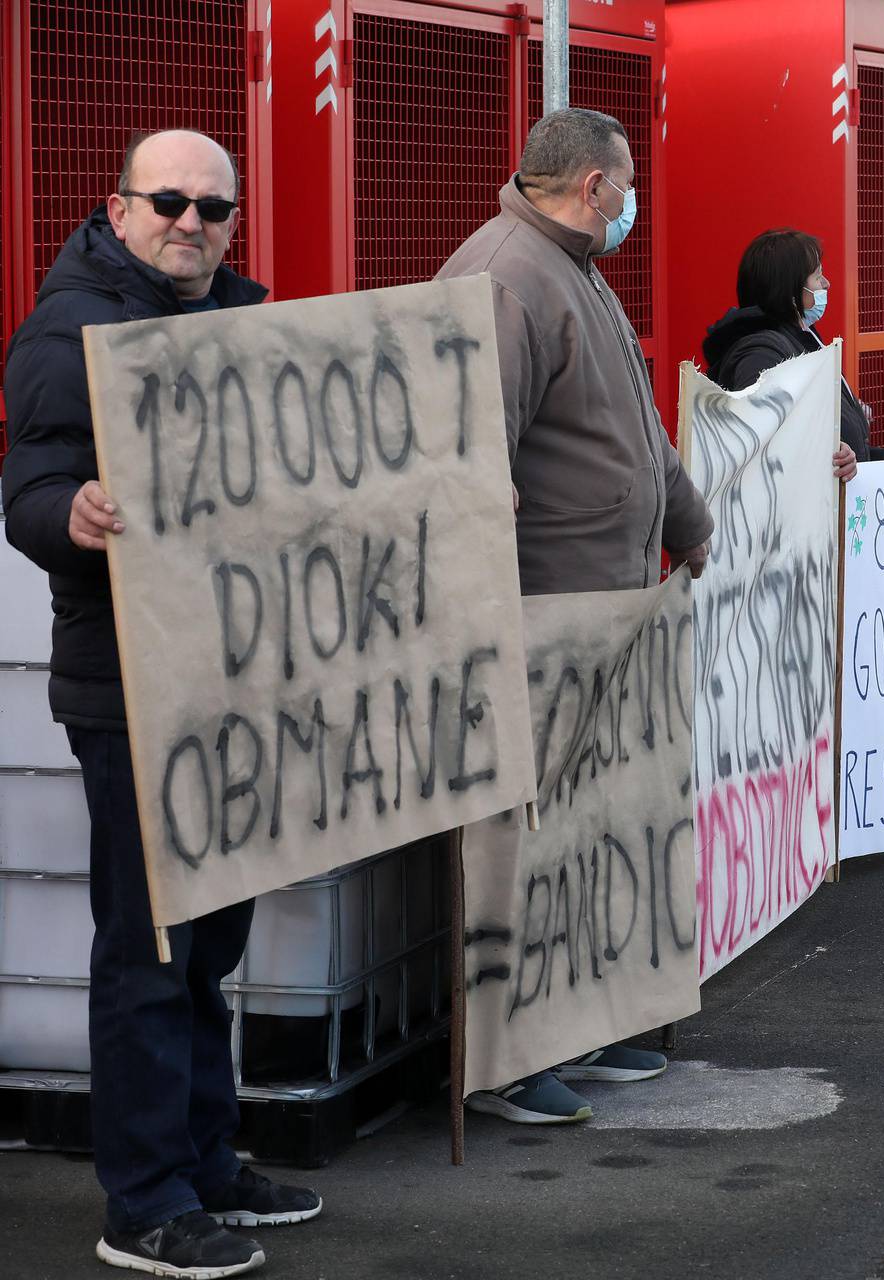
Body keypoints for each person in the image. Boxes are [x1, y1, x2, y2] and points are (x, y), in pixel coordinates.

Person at [1, 129, 321, 1279]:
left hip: (223, 682)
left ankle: (204, 1158)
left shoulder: (230, 322)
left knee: (209, 940)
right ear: (119, 207)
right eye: (170, 201)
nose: (192, 221)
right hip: (133, 686)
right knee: (150, 944)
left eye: (214, 207)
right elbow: (29, 487)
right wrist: (69, 512)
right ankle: (142, 1202)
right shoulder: (68, 329)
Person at [436, 107, 714, 1124]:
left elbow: (632, 430)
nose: (632, 200)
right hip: (540, 609)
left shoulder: (571, 266)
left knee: (590, 826)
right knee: (521, 834)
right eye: (628, 182)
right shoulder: (508, 274)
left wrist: (689, 521)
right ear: (595, 185)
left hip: (604, 602)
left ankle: (578, 1023)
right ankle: (507, 1058)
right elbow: (468, 446)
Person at [702, 227, 884, 481]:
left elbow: (844, 455)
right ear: (790, 291)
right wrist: (829, 459)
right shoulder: (761, 357)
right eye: (817, 276)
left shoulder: (802, 342)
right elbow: (770, 457)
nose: (826, 284)